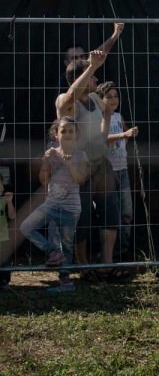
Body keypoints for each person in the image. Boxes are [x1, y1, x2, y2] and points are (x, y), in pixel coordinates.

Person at [57, 48, 121, 273]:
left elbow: (105, 119)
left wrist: (115, 34)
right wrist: (91, 65)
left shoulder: (95, 98)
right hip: (80, 169)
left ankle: (106, 264)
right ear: (80, 78)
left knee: (110, 212)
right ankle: (83, 266)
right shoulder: (67, 102)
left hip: (101, 165)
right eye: (92, 75)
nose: (95, 79)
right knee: (82, 217)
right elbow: (70, 95)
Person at [21, 117, 88, 293]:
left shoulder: (80, 155)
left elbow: (80, 179)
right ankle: (53, 252)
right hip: (51, 204)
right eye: (63, 131)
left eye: (71, 131)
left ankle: (65, 281)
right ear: (56, 134)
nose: (67, 134)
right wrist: (45, 160)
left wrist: (69, 164)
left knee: (67, 244)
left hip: (71, 209)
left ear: (76, 134)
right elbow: (44, 181)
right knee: (26, 227)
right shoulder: (51, 154)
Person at [98, 81, 139, 260]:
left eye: (116, 96)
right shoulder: (98, 118)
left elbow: (125, 132)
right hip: (106, 172)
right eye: (109, 97)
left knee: (126, 212)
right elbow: (101, 138)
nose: (114, 100)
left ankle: (122, 251)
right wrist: (123, 135)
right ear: (101, 100)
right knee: (110, 214)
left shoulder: (118, 116)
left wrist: (126, 137)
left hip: (122, 169)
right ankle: (107, 253)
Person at [0, 179, 14, 289]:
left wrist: (9, 202)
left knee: (4, 261)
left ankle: (4, 282)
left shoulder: (3, 200)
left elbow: (12, 216)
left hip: (3, 236)